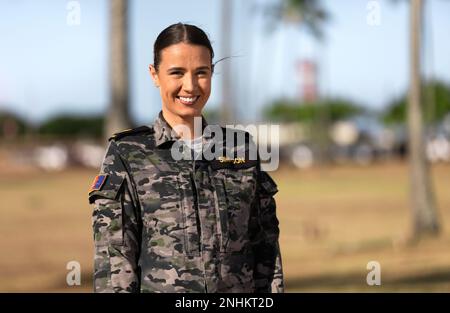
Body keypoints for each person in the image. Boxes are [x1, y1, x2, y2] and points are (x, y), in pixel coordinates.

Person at [88, 22, 283, 293]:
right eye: (176, 73)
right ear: (154, 74)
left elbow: (266, 250)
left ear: (212, 72)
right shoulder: (127, 154)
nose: (190, 86)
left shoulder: (241, 149)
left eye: (201, 72)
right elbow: (115, 263)